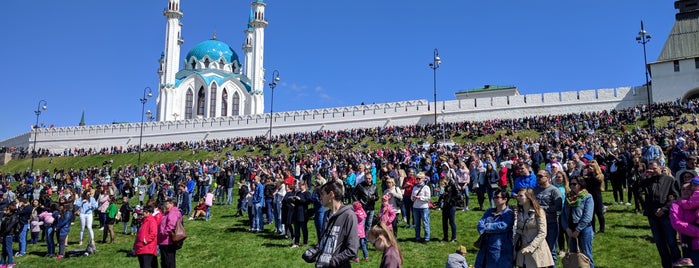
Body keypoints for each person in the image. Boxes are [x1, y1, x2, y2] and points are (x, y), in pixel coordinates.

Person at [315, 181, 358, 267]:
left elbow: (352, 250)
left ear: (331, 194)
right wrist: (316, 252)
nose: (320, 197)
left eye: (322, 194)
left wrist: (333, 261)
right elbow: (324, 240)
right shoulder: (326, 214)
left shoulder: (349, 215)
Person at [514, 188, 554, 268]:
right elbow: (517, 230)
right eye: (517, 196)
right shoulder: (519, 212)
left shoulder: (538, 211)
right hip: (522, 250)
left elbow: (542, 233)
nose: (518, 198)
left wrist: (530, 247)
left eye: (521, 196)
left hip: (536, 250)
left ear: (529, 198)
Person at [474, 189, 514, 267]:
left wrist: (488, 226)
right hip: (485, 248)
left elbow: (502, 226)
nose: (495, 199)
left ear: (505, 199)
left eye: (497, 197)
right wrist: (489, 228)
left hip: (500, 250)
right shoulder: (489, 211)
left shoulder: (509, 213)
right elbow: (480, 225)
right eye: (494, 197)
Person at [561, 176, 595, 268]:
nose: (572, 186)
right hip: (570, 229)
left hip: (584, 229)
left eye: (574, 184)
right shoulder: (569, 197)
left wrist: (578, 229)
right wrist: (566, 228)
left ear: (580, 185)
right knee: (573, 255)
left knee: (586, 255)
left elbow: (587, 216)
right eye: (570, 184)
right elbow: (563, 214)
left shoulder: (587, 197)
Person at [533, 170, 562, 264]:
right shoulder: (534, 190)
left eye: (540, 176)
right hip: (536, 223)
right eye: (537, 176)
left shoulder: (554, 190)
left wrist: (542, 209)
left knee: (550, 249)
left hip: (550, 223)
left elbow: (558, 206)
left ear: (547, 177)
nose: (538, 178)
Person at [670, 181, 699, 267]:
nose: (685, 191)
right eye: (683, 189)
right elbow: (677, 223)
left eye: (688, 189)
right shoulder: (676, 205)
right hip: (693, 246)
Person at [158, 197, 183, 268]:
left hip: (168, 241)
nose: (165, 205)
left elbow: (171, 225)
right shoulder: (167, 213)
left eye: (167, 203)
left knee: (168, 262)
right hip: (164, 241)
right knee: (165, 261)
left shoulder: (173, 213)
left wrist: (163, 233)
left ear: (172, 204)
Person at [583, 160, 605, 233]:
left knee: (599, 212)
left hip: (597, 195)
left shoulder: (599, 175)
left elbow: (596, 182)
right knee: (591, 213)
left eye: (591, 166)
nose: (590, 168)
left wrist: (592, 173)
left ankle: (602, 229)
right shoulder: (588, 175)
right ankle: (592, 229)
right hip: (589, 195)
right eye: (589, 166)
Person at [439, 174, 461, 243]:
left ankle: (454, 237)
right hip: (445, 205)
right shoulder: (445, 186)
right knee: (444, 222)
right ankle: (445, 237)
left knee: (452, 222)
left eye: (443, 180)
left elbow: (458, 195)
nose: (443, 182)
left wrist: (450, 199)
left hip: (451, 205)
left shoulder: (453, 185)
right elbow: (443, 195)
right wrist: (443, 195)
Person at [412, 172, 431, 243]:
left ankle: (427, 238)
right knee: (417, 223)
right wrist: (413, 198)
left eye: (419, 178)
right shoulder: (414, 187)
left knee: (425, 223)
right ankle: (417, 237)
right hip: (415, 207)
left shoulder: (426, 187)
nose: (417, 180)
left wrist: (420, 197)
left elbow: (428, 198)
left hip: (424, 207)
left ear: (423, 179)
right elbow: (411, 197)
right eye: (416, 178)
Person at [291, 181, 311, 248]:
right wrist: (293, 200)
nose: (300, 187)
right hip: (296, 212)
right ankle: (296, 242)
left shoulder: (307, 193)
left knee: (304, 228)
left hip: (303, 213)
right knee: (296, 228)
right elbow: (296, 202)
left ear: (305, 186)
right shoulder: (298, 193)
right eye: (299, 185)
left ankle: (305, 242)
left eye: (301, 185)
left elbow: (307, 202)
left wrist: (300, 199)